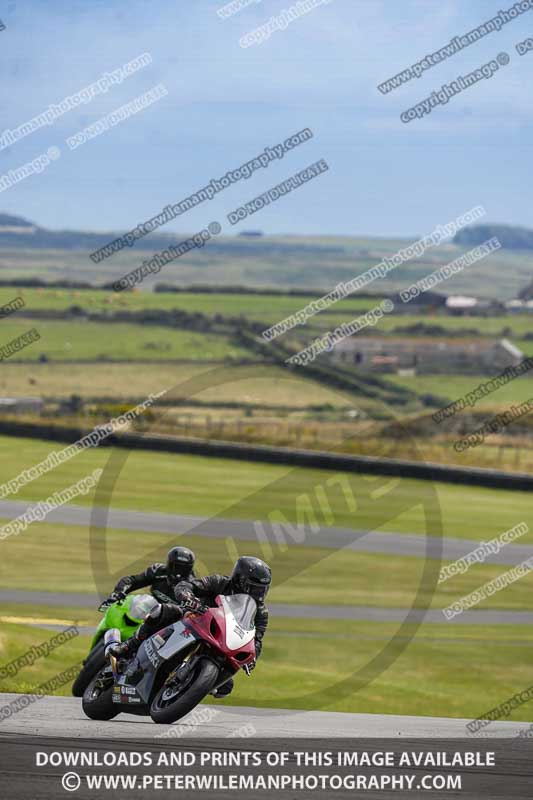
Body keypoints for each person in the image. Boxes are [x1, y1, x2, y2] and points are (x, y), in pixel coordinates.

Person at [109, 556, 271, 698]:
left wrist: (252, 656)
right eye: (254, 588)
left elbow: (256, 638)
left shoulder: (261, 611)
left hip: (222, 640)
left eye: (261, 590)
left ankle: (189, 687)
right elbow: (186, 585)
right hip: (195, 618)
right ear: (239, 579)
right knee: (163, 611)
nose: (257, 594)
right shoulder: (219, 582)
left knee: (226, 686)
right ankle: (129, 646)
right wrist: (188, 597)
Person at [104, 546, 196, 605]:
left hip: (168, 625)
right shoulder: (158, 571)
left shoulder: (193, 586)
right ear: (169, 564)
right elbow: (132, 581)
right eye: (175, 566)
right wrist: (117, 593)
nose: (177, 572)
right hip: (146, 614)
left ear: (189, 569)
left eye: (182, 568)